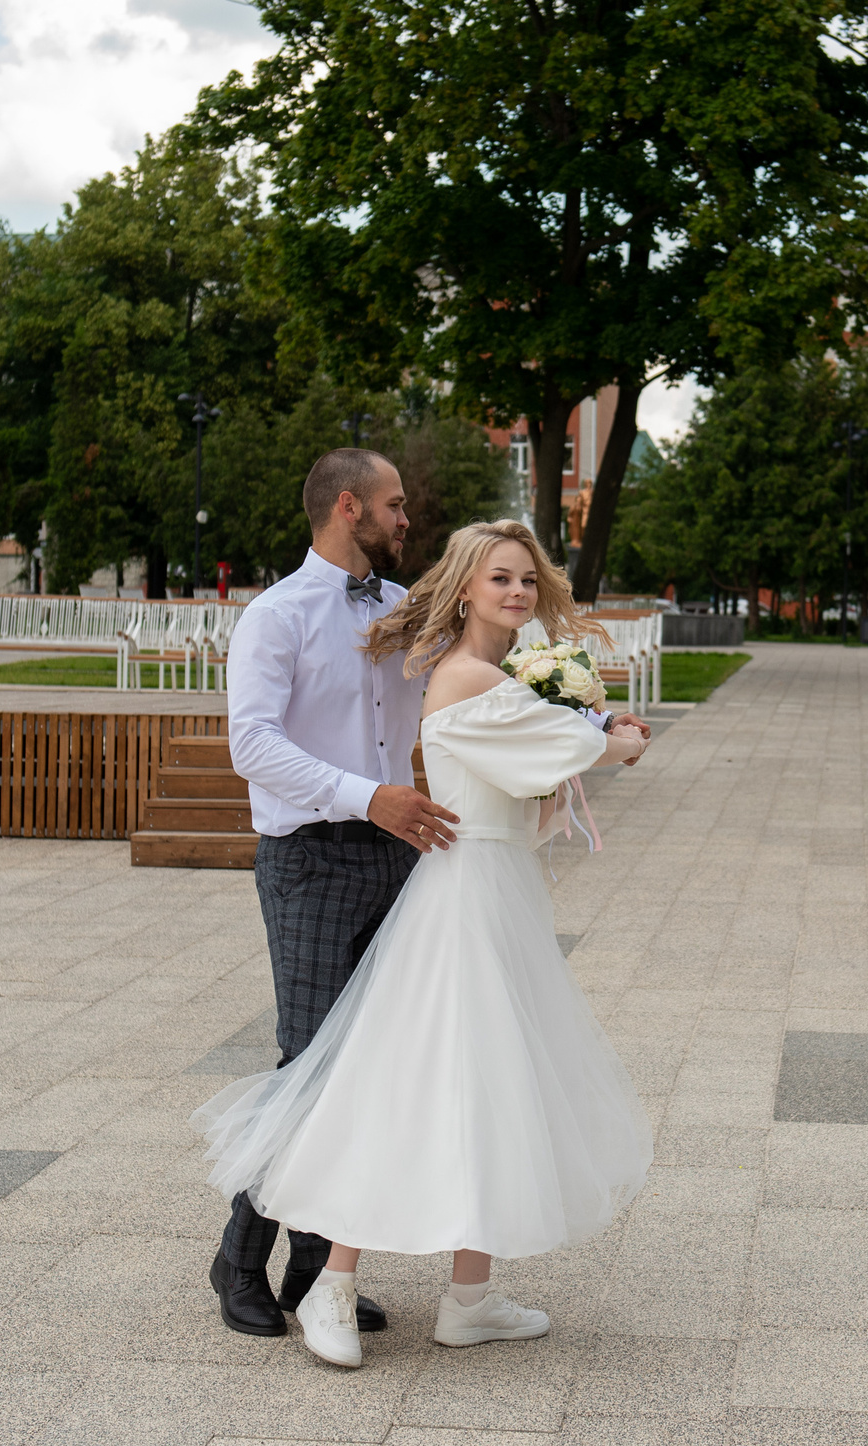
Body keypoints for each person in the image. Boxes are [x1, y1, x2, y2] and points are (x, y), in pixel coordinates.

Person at [194, 519, 655, 1369]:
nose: (516, 592)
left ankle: (470, 1297)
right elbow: (570, 745)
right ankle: (330, 1281)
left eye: (526, 580)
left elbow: (532, 800)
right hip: (458, 901)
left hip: (498, 889)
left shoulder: (504, 680)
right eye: (499, 579)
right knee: (399, 1080)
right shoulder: (474, 678)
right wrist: (609, 734)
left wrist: (586, 735)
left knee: (491, 1084)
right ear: (467, 589)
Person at [207, 448, 459, 1342]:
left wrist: (586, 719)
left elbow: (480, 692)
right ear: (347, 507)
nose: (405, 518)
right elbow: (254, 746)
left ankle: (317, 1275)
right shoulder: (275, 617)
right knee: (308, 1064)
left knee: (366, 1065)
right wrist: (369, 795)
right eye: (393, 505)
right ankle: (241, 1258)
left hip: (395, 859)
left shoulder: (401, 613)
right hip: (309, 859)